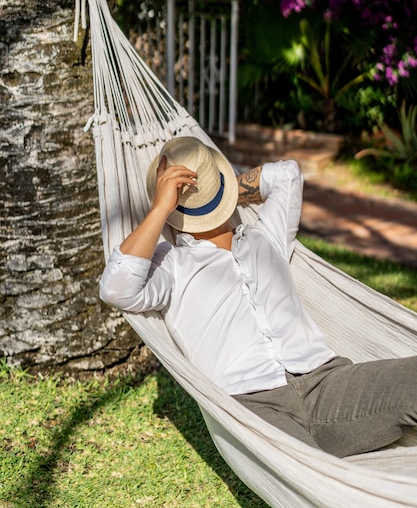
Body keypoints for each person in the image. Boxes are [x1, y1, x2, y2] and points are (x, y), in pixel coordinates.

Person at [100, 136, 417, 458]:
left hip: (326, 383)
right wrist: (162, 207)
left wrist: (209, 190)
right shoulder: (169, 265)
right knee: (311, 473)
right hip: (254, 405)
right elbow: (116, 289)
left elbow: (287, 174)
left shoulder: (265, 236)